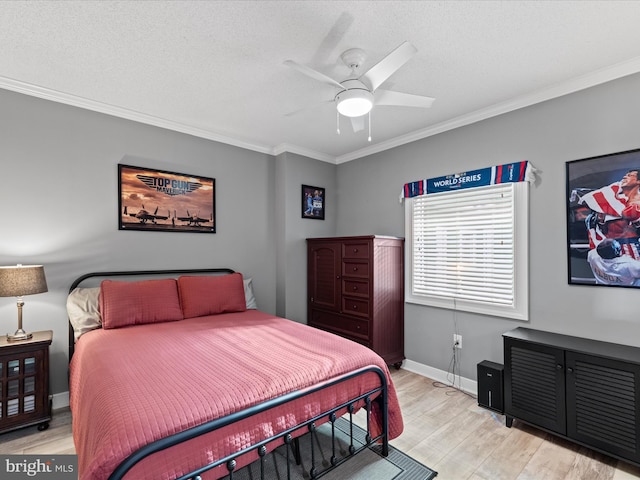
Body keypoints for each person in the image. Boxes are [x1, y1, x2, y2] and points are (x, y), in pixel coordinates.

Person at [580, 169, 640, 258]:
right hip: (608, 248)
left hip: (630, 245)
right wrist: (600, 220)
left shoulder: (638, 202)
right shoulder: (612, 201)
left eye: (630, 175)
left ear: (638, 181)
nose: (624, 177)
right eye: (625, 175)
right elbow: (605, 230)